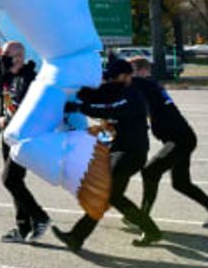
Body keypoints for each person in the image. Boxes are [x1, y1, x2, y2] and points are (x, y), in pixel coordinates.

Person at [53, 59, 163, 251]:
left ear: (127, 76)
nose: (110, 80)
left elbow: (109, 109)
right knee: (113, 196)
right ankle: (150, 230)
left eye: (115, 77)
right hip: (117, 150)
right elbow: (91, 95)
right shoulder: (113, 89)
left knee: (106, 193)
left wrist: (82, 107)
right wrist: (69, 96)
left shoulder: (133, 95)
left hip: (132, 152)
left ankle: (77, 236)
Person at [128, 57, 208, 228]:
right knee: (181, 184)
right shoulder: (148, 88)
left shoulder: (148, 84)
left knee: (150, 171)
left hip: (180, 140)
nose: (129, 76)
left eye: (131, 71)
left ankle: (142, 218)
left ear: (143, 71)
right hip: (181, 138)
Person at [0, 41, 50, 243]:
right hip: (9, 136)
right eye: (3, 53)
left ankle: (40, 217)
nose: (3, 56)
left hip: (24, 138)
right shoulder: (7, 74)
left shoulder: (30, 78)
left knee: (10, 180)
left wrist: (7, 120)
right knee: (14, 182)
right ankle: (23, 228)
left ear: (19, 56)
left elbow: (30, 111)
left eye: (7, 53)